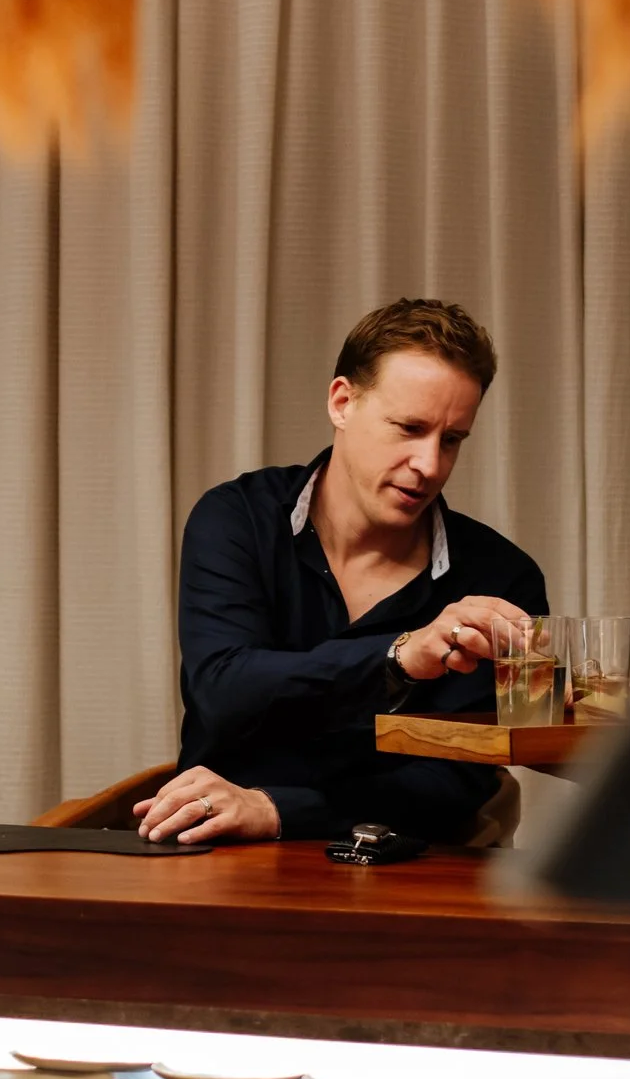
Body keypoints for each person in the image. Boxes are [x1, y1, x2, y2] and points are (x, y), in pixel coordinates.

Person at [145, 299, 547, 846]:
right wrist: (397, 658)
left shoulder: (501, 577)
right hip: (222, 851)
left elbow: (454, 782)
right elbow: (222, 692)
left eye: (451, 440)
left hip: (409, 866)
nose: (430, 465)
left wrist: (277, 809)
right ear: (342, 402)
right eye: (409, 428)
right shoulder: (239, 518)